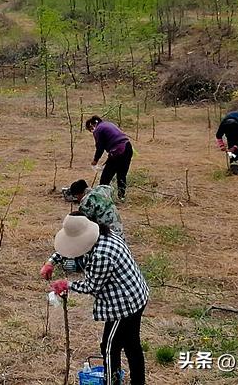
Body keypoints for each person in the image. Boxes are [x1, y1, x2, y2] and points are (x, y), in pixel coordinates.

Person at [48, 213, 148, 385]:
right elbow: (71, 248)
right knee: (132, 344)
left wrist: (67, 284)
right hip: (137, 295)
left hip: (124, 304)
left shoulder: (102, 254)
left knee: (109, 347)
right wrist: (51, 262)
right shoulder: (103, 233)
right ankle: (138, 382)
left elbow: (92, 286)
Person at [42, 180, 123, 278]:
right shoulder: (101, 190)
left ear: (79, 194)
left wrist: (52, 261)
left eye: (76, 196)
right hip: (119, 236)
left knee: (71, 263)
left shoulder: (86, 203)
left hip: (107, 242)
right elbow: (110, 188)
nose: (77, 199)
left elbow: (79, 235)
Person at [85, 116, 133, 200]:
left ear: (92, 125)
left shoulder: (98, 129)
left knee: (105, 177)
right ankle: (121, 197)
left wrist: (95, 160)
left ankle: (102, 198)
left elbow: (100, 147)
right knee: (121, 175)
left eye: (90, 129)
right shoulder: (108, 124)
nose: (91, 131)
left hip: (119, 150)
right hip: (127, 147)